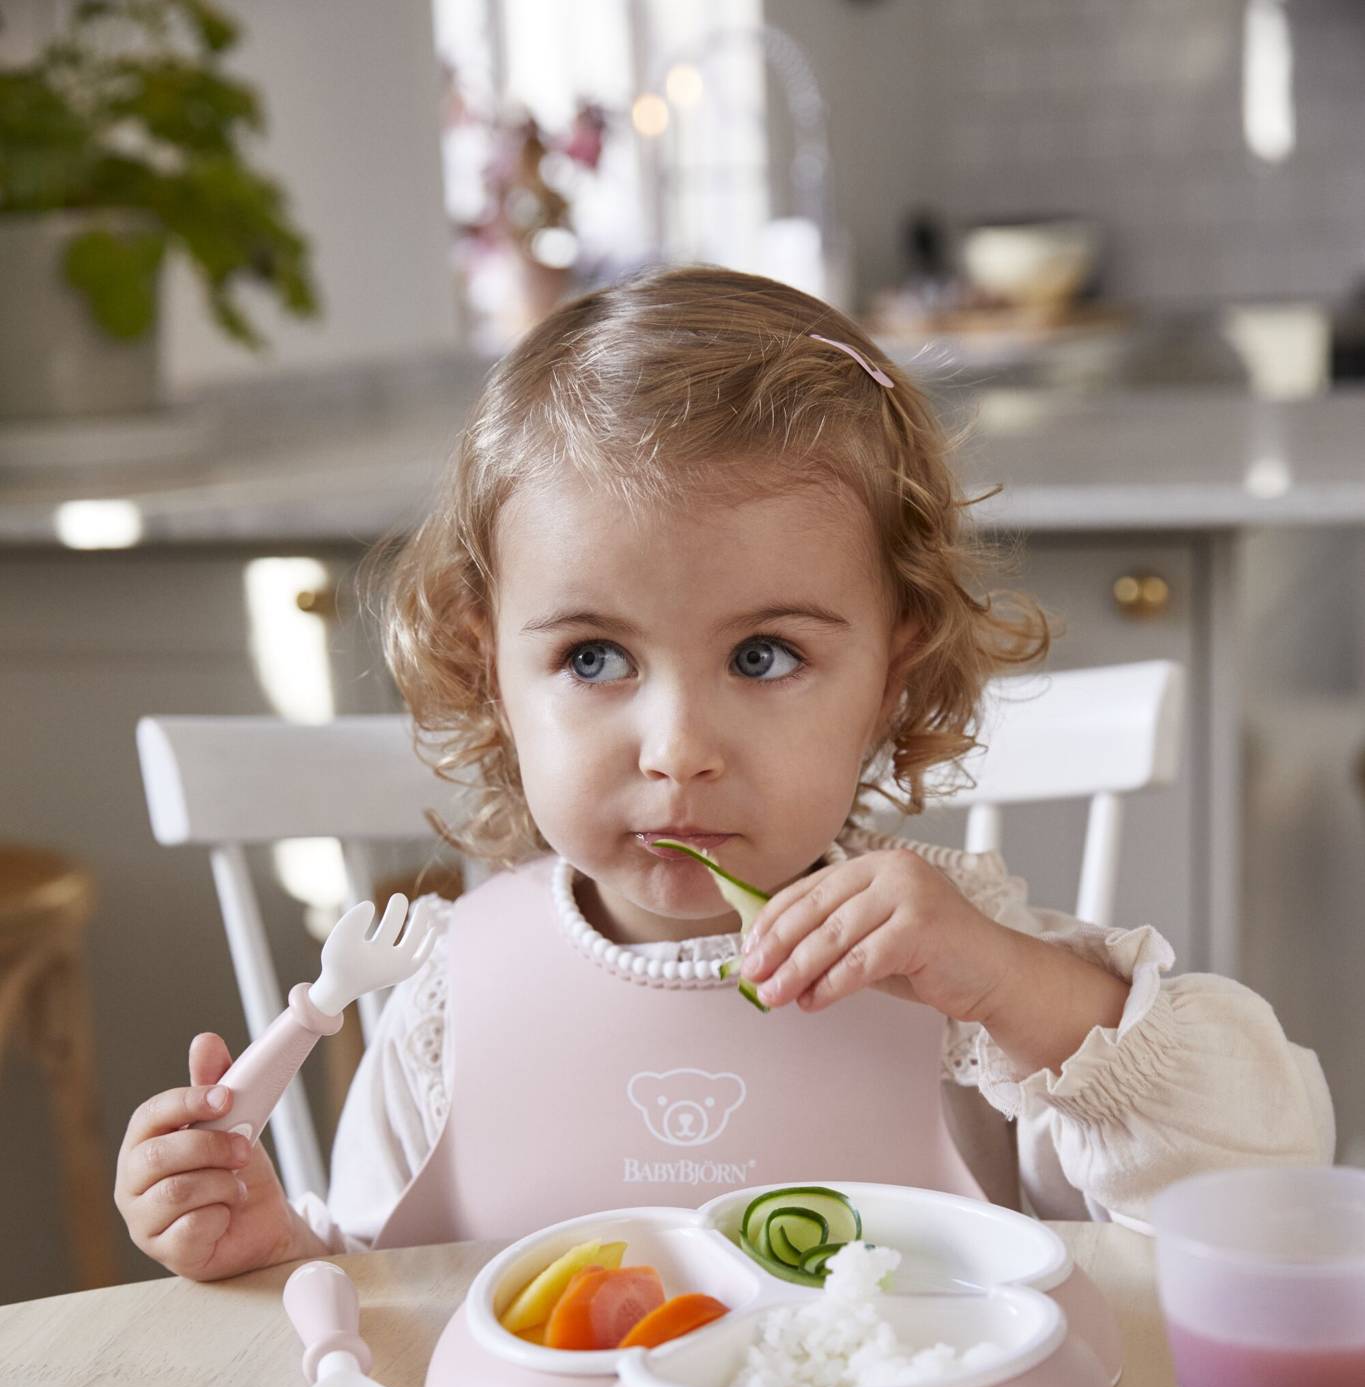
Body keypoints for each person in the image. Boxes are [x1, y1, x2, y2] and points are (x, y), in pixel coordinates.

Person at [115, 266, 1334, 1280]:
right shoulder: (440, 1002)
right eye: (594, 657)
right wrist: (277, 1247)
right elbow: (385, 1294)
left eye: (763, 656)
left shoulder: (960, 974)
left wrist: (1021, 986)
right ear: (491, 671)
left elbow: (1267, 1185)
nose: (678, 747)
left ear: (894, 674)